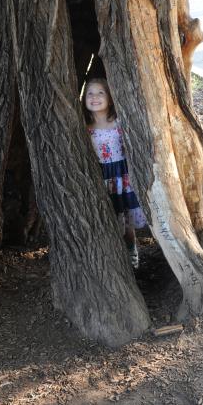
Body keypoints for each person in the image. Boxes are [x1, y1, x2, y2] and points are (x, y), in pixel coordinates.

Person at [83, 78, 147, 269]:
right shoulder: (85, 128)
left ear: (110, 99)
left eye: (100, 93)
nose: (94, 97)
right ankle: (111, 258)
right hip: (102, 177)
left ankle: (131, 250)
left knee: (126, 219)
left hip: (122, 176)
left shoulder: (119, 123)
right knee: (109, 217)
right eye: (90, 94)